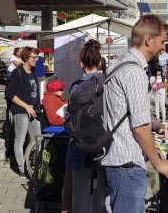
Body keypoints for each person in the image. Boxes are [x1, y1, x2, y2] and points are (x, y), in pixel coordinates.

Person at [101, 14, 168, 213]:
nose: (163, 47)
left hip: (117, 158)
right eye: (162, 42)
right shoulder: (134, 72)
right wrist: (158, 162)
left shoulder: (119, 64)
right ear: (148, 40)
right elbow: (139, 127)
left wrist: (155, 125)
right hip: (127, 161)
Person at [61, 39, 107, 213]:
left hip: (79, 146)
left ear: (81, 63)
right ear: (99, 62)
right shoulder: (107, 83)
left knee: (75, 194)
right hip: (102, 144)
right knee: (99, 195)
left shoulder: (77, 87)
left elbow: (70, 118)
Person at [5, 46, 41, 178]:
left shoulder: (33, 72)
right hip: (20, 111)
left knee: (37, 140)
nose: (36, 60)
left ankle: (33, 166)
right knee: (20, 140)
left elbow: (34, 92)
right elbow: (10, 93)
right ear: (26, 57)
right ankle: (22, 169)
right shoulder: (17, 72)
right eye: (34, 57)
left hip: (33, 111)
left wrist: (35, 106)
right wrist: (26, 106)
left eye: (37, 57)